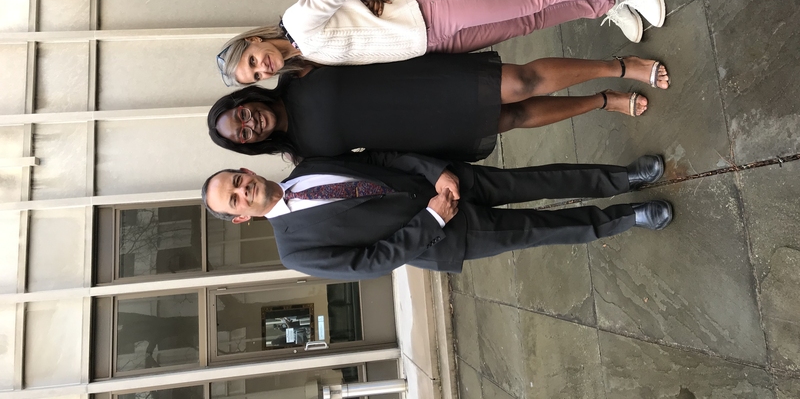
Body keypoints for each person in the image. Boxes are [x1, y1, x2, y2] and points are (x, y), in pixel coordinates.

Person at [200, 150, 672, 281]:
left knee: (542, 180)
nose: (244, 191)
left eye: (237, 182)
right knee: (545, 228)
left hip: (448, 183)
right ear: (241, 218)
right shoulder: (294, 251)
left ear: (245, 170)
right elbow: (370, 262)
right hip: (442, 236)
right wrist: (432, 220)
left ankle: (624, 178)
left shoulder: (307, 164)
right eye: (235, 200)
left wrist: (438, 170)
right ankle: (630, 217)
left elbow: (381, 158)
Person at [214, 0, 666, 86]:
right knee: (528, 21)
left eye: (253, 60)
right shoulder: (305, 59)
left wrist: (376, 0)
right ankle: (600, 5)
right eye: (255, 75)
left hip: (432, 13)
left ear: (255, 40)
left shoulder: (297, 23)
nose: (262, 68)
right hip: (431, 44)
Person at [208, 52, 669, 162]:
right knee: (515, 117)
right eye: (243, 134)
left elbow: (357, 42)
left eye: (241, 115)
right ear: (253, 144)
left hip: (426, 80)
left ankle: (621, 66)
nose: (248, 124)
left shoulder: (296, 71)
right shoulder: (303, 155)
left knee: (521, 81)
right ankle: (603, 100)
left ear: (247, 99)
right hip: (422, 132)